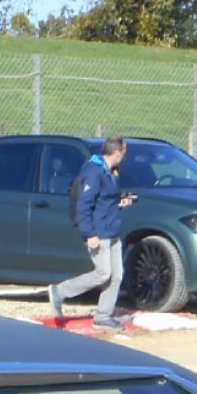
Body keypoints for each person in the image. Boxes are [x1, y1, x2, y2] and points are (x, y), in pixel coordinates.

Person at [51, 136, 137, 332]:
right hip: (99, 232)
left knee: (116, 275)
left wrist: (120, 203)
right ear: (117, 152)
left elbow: (105, 201)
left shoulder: (111, 172)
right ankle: (60, 291)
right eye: (124, 152)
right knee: (103, 273)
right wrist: (89, 234)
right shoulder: (94, 171)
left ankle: (103, 316)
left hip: (112, 230)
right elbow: (85, 205)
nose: (124, 157)